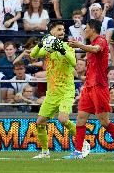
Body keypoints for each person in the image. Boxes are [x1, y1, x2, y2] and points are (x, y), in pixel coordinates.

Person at [64, 19, 114, 159]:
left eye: (86, 28)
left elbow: (95, 50)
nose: (84, 30)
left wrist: (79, 45)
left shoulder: (101, 41)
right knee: (80, 119)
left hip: (99, 86)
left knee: (104, 121)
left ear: (92, 29)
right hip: (88, 87)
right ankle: (78, 152)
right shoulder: (92, 44)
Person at [30, 21, 90, 158]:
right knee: (39, 122)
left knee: (63, 119)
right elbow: (33, 55)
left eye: (63, 29)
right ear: (52, 32)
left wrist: (61, 49)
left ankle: (84, 143)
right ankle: (45, 152)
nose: (62, 32)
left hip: (66, 91)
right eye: (59, 29)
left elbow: (74, 62)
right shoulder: (47, 48)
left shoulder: (68, 46)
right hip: (52, 93)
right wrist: (41, 42)